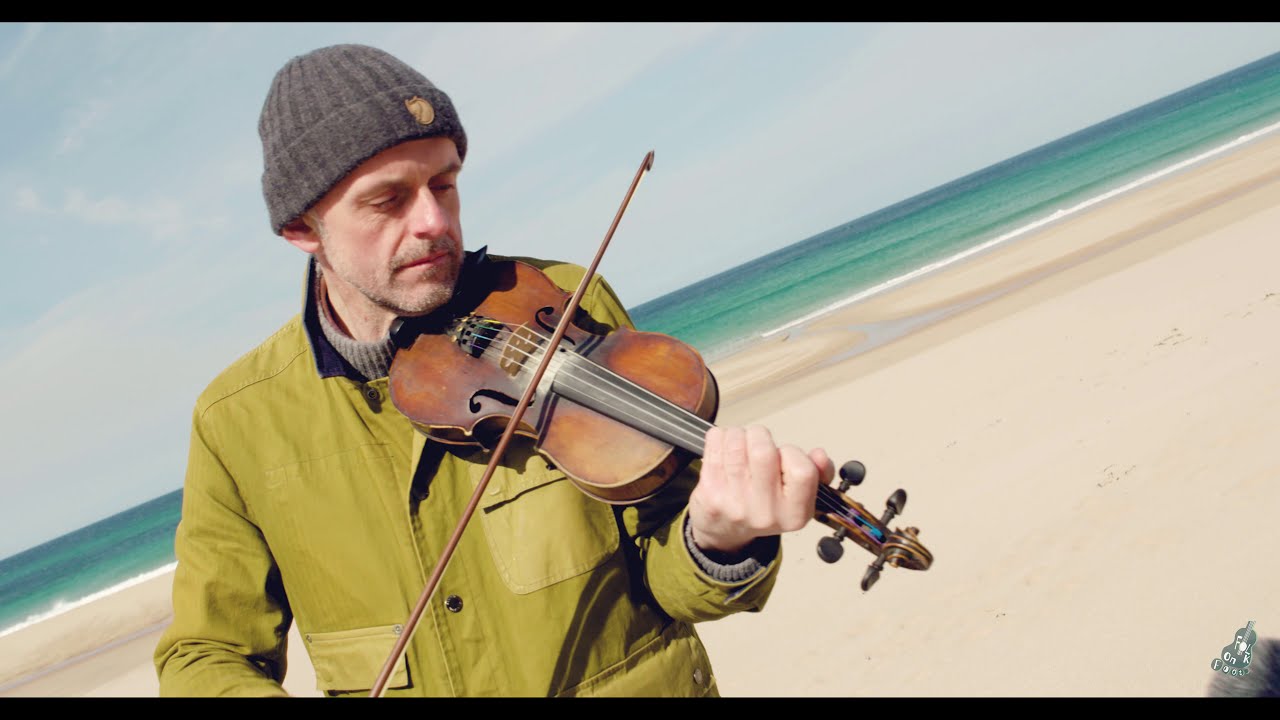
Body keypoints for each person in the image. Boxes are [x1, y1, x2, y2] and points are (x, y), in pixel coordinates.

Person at [153, 43, 834, 698]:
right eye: (388, 200)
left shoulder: (564, 301)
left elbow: (667, 565)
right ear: (303, 230)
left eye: (443, 185)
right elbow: (204, 654)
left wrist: (717, 540)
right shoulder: (236, 421)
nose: (433, 222)